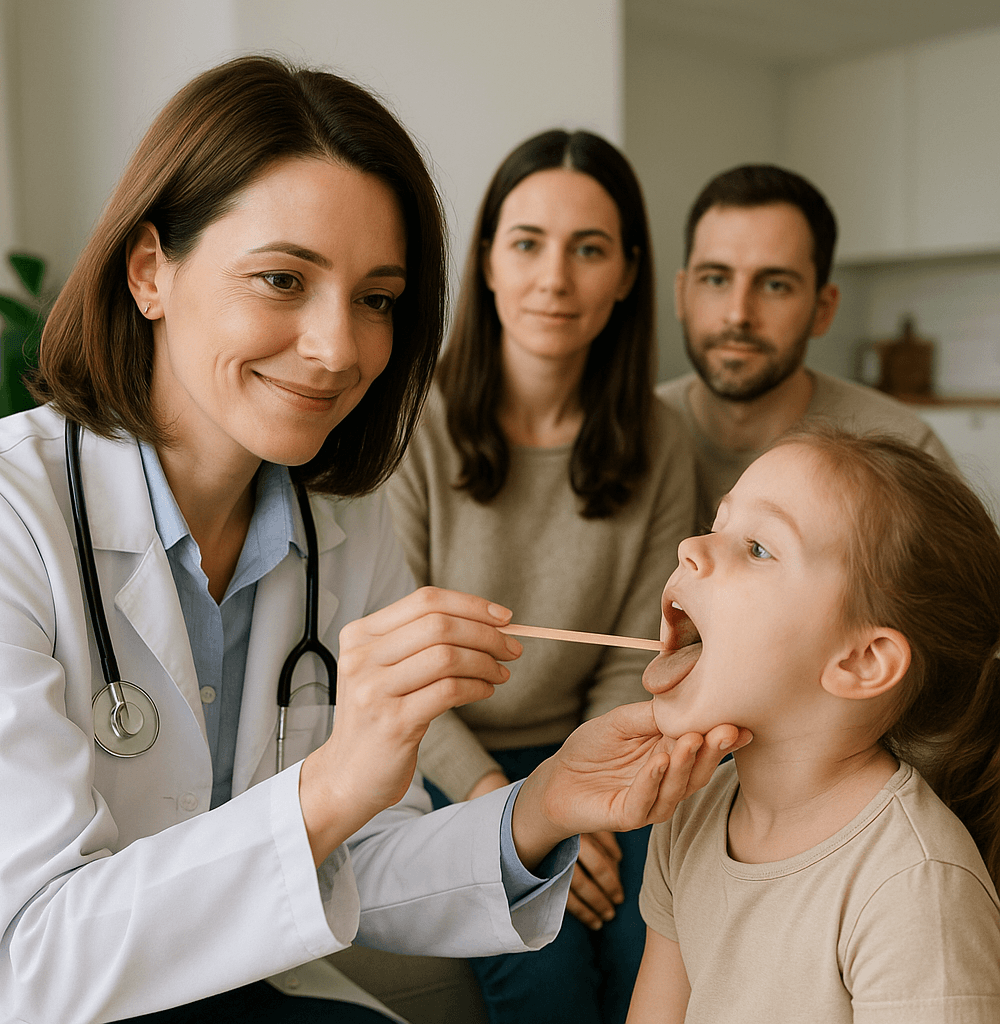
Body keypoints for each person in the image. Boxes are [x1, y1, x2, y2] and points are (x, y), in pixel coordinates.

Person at [0, 58, 751, 1024]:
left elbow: (362, 864)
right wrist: (336, 779)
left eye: (377, 298)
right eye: (281, 279)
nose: (340, 348)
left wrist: (546, 802)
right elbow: (27, 963)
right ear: (149, 272)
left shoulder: (339, 521)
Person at [387, 129, 696, 1024]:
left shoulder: (658, 440)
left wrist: (586, 794)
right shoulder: (413, 422)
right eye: (527, 243)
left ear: (629, 273)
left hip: (595, 740)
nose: (554, 279)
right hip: (443, 756)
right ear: (486, 259)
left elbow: (638, 652)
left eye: (588, 250)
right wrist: (512, 803)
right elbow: (407, 667)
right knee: (546, 970)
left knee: (650, 943)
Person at [626, 427, 1000, 1023]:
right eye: (717, 522)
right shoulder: (690, 817)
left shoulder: (916, 889)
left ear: (861, 661)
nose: (692, 547)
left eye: (758, 548)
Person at [656, 164, 953, 528]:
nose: (738, 314)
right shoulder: (623, 433)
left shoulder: (904, 450)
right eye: (716, 279)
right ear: (681, 295)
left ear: (822, 310)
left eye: (775, 285)